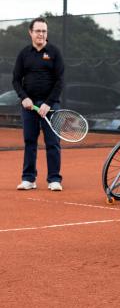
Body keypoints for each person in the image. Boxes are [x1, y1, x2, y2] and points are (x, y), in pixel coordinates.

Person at [12, 17, 64, 191]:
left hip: (50, 106)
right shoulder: (24, 54)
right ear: (31, 33)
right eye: (38, 31)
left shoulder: (54, 52)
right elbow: (16, 80)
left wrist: (48, 103)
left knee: (53, 142)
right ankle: (28, 179)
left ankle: (54, 179)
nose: (41, 34)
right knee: (29, 141)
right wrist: (24, 98)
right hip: (29, 106)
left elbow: (60, 81)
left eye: (44, 31)